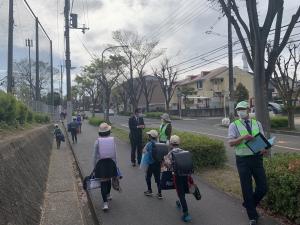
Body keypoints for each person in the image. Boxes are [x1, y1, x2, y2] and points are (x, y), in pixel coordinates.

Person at [228, 101, 268, 225]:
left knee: (263, 187)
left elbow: (262, 140)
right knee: (247, 188)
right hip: (242, 160)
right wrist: (243, 137)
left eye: (242, 109)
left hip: (256, 158)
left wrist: (264, 149)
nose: (240, 111)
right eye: (238, 109)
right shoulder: (234, 125)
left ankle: (248, 204)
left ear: (248, 110)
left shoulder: (257, 123)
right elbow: (231, 143)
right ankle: (252, 216)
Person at [163, 135, 192, 223]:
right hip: (186, 175)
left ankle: (186, 214)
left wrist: (165, 161)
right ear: (179, 143)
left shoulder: (170, 153)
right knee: (182, 190)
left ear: (171, 144)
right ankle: (179, 202)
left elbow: (168, 165)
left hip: (177, 176)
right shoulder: (184, 151)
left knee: (181, 193)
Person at [92, 122, 118, 211]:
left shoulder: (97, 142)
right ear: (108, 131)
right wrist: (116, 165)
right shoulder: (112, 141)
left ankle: (105, 203)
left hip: (101, 165)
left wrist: (94, 167)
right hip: (111, 163)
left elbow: (94, 156)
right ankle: (108, 195)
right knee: (109, 180)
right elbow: (115, 155)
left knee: (103, 183)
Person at [142, 130, 163, 199]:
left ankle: (150, 190)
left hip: (150, 163)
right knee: (158, 179)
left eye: (149, 135)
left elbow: (144, 151)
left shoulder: (149, 144)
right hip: (158, 163)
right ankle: (159, 193)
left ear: (150, 136)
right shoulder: (159, 143)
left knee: (148, 177)